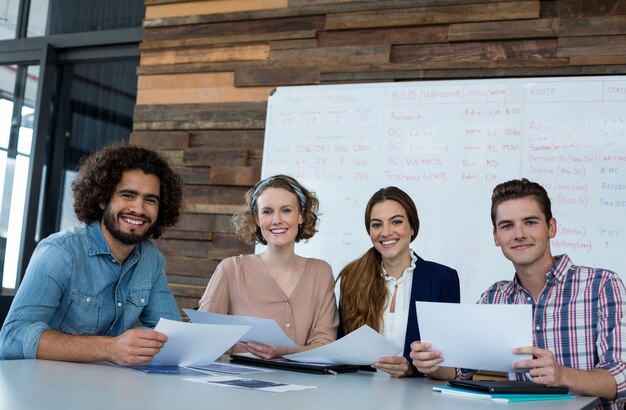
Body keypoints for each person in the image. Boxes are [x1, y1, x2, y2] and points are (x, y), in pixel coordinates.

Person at [410, 178, 626, 410]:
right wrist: (431, 363)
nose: (519, 234)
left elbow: (621, 375)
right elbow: (460, 370)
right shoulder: (495, 297)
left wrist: (563, 375)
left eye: (530, 222)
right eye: (507, 226)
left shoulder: (602, 285)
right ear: (496, 236)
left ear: (551, 227)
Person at [0, 144, 183, 365]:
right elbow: (11, 337)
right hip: (38, 387)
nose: (139, 209)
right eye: (128, 195)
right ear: (102, 199)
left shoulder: (151, 259)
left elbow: (172, 336)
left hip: (104, 388)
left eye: (150, 200)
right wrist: (111, 348)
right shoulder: (60, 252)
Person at [198, 174, 338, 359]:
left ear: (301, 215)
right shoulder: (231, 269)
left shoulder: (320, 272)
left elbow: (325, 345)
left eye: (286, 210)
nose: (277, 220)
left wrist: (287, 352)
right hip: (238, 383)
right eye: (267, 211)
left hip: (302, 383)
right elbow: (202, 336)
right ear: (257, 219)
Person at [338, 186, 460, 377]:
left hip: (418, 399)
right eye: (377, 225)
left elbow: (449, 361)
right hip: (360, 395)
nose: (385, 232)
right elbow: (342, 350)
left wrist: (410, 368)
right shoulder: (352, 277)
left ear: (412, 227)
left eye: (396, 222)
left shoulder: (443, 279)